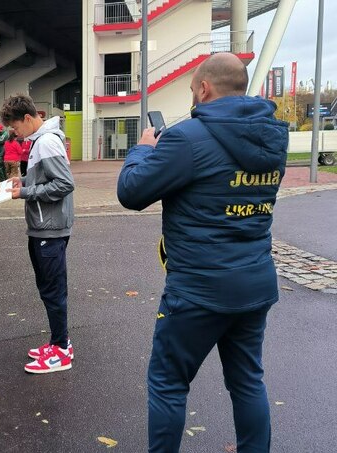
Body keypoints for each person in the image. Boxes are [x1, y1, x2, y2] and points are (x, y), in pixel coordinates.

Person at [117, 53, 288, 452]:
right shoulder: (273, 138)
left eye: (193, 89)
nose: (192, 96)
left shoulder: (186, 138)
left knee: (168, 382)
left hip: (199, 289)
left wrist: (143, 150)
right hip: (255, 283)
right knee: (247, 381)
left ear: (204, 88)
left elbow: (131, 192)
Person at [0, 93, 75, 374]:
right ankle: (59, 343)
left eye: (15, 127)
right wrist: (23, 181)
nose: (15, 133)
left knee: (53, 291)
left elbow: (64, 184)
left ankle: (61, 350)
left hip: (50, 229)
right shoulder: (40, 140)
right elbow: (46, 179)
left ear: (28, 118)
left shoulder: (46, 142)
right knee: (49, 289)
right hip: (45, 226)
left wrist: (25, 192)